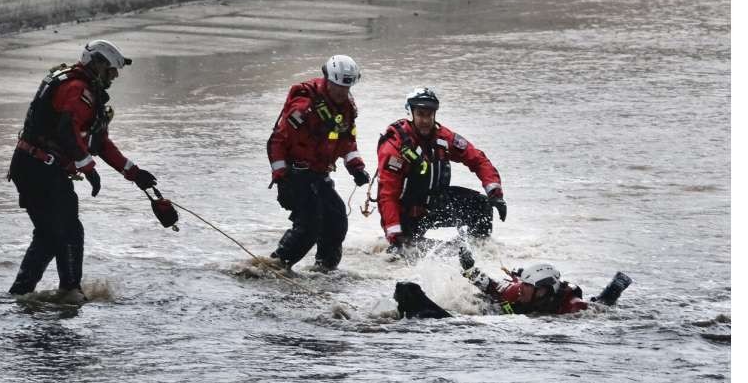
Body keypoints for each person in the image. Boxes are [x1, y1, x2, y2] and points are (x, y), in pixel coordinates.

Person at [7, 40, 159, 303]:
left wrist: (135, 173)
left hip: (34, 166)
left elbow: (99, 143)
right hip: (38, 168)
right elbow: (67, 130)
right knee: (68, 229)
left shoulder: (84, 90)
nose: (115, 75)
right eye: (111, 69)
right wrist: (87, 167)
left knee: (49, 234)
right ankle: (69, 291)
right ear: (97, 64)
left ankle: (20, 294)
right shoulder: (77, 90)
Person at [266, 55, 370, 271]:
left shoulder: (347, 107)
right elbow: (276, 141)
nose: (342, 91)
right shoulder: (304, 106)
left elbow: (347, 141)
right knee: (309, 225)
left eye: (346, 86)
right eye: (337, 86)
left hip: (319, 174)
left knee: (337, 219)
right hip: (295, 174)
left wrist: (357, 168)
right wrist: (281, 177)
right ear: (327, 79)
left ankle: (324, 269)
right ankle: (276, 265)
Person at [376, 87, 506, 249]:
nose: (426, 120)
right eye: (421, 114)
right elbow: (387, 195)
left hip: (435, 205)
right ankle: (396, 244)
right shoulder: (395, 147)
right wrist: (394, 233)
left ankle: (479, 252)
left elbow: (477, 160)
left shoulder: (443, 137)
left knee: (481, 206)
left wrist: (495, 193)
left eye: (429, 114)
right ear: (411, 114)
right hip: (406, 213)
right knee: (405, 252)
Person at [457, 246, 632, 315]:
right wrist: (469, 269)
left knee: (604, 303)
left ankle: (618, 283)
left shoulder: (574, 307)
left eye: (528, 286)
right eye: (523, 284)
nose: (521, 289)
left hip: (590, 304)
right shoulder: (517, 290)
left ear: (542, 291)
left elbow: (600, 312)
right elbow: (491, 286)